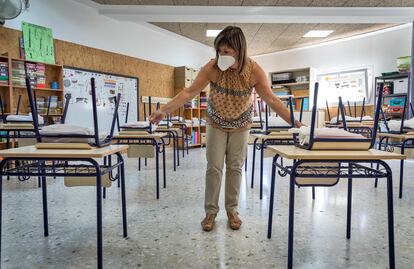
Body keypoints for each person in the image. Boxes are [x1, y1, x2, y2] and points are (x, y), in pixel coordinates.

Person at [149, 26, 301, 232]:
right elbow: (189, 92)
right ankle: (210, 211)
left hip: (241, 124)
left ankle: (232, 210)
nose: (222, 55)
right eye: (219, 51)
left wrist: (295, 123)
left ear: (239, 50)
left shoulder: (254, 70)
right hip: (215, 122)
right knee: (214, 167)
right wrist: (163, 111)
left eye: (226, 52)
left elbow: (272, 100)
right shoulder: (212, 68)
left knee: (235, 167)